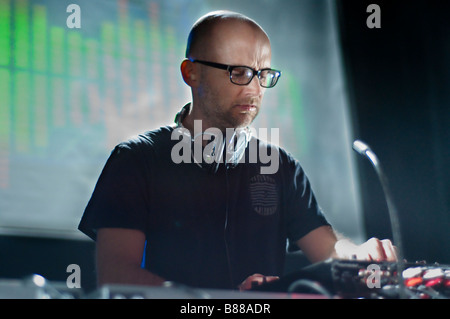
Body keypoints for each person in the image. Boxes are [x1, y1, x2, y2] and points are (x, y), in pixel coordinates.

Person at [78, 10, 397, 291]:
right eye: (239, 72)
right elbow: (116, 272)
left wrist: (359, 256)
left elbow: (328, 250)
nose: (255, 89)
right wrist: (221, 301)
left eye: (263, 74)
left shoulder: (281, 166)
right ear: (191, 73)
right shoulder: (136, 158)